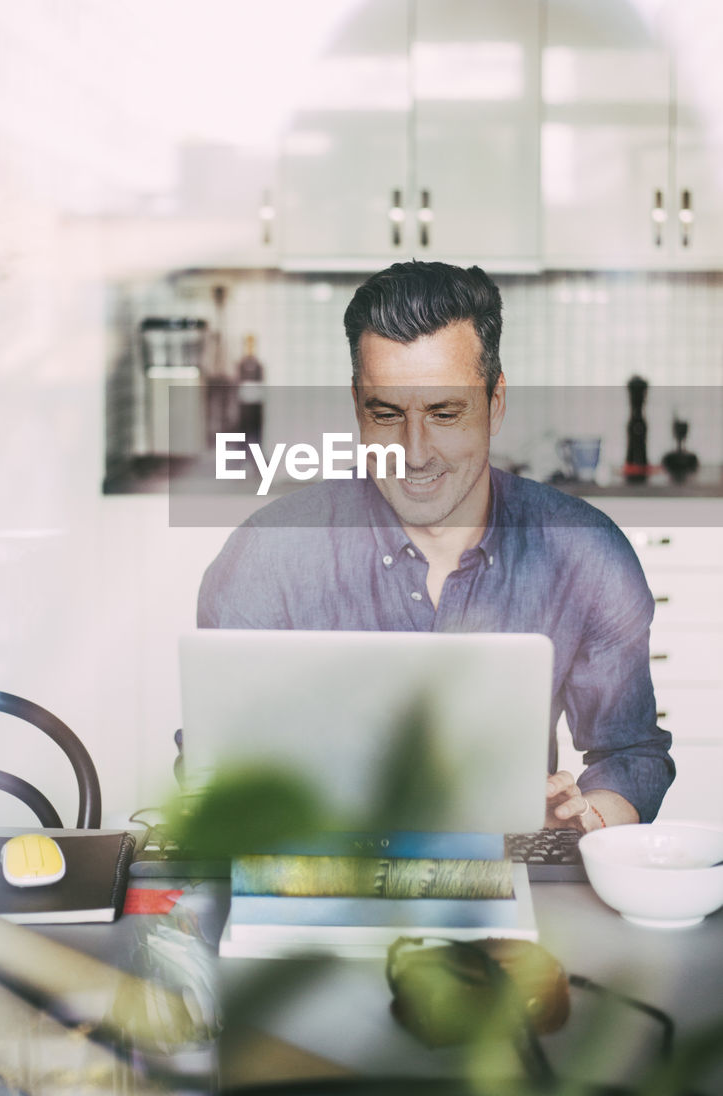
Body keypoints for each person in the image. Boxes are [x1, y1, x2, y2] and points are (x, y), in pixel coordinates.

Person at [198, 261, 674, 831]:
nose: (415, 451)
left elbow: (630, 754)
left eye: (445, 413)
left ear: (495, 402)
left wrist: (587, 822)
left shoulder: (587, 554)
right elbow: (214, 768)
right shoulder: (266, 555)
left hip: (508, 876)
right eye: (387, 413)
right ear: (357, 406)